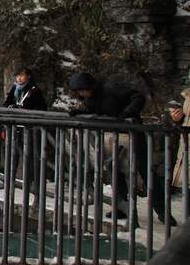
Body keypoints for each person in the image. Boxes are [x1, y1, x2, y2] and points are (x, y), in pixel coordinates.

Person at [68, 72, 175, 226]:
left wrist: (127, 113)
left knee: (145, 171)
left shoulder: (111, 89)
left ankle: (162, 210)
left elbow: (138, 97)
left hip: (132, 134)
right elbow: (101, 112)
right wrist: (81, 113)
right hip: (112, 137)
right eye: (78, 91)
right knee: (116, 171)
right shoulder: (90, 99)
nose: (81, 93)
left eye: (82, 89)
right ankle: (121, 207)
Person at [3, 67, 48, 201]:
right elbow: (6, 103)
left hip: (30, 129)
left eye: (21, 76)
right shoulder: (15, 89)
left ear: (28, 76)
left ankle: (31, 184)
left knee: (30, 157)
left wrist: (24, 110)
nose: (19, 78)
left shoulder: (34, 91)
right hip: (15, 128)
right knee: (13, 155)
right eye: (17, 76)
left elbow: (41, 108)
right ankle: (9, 181)